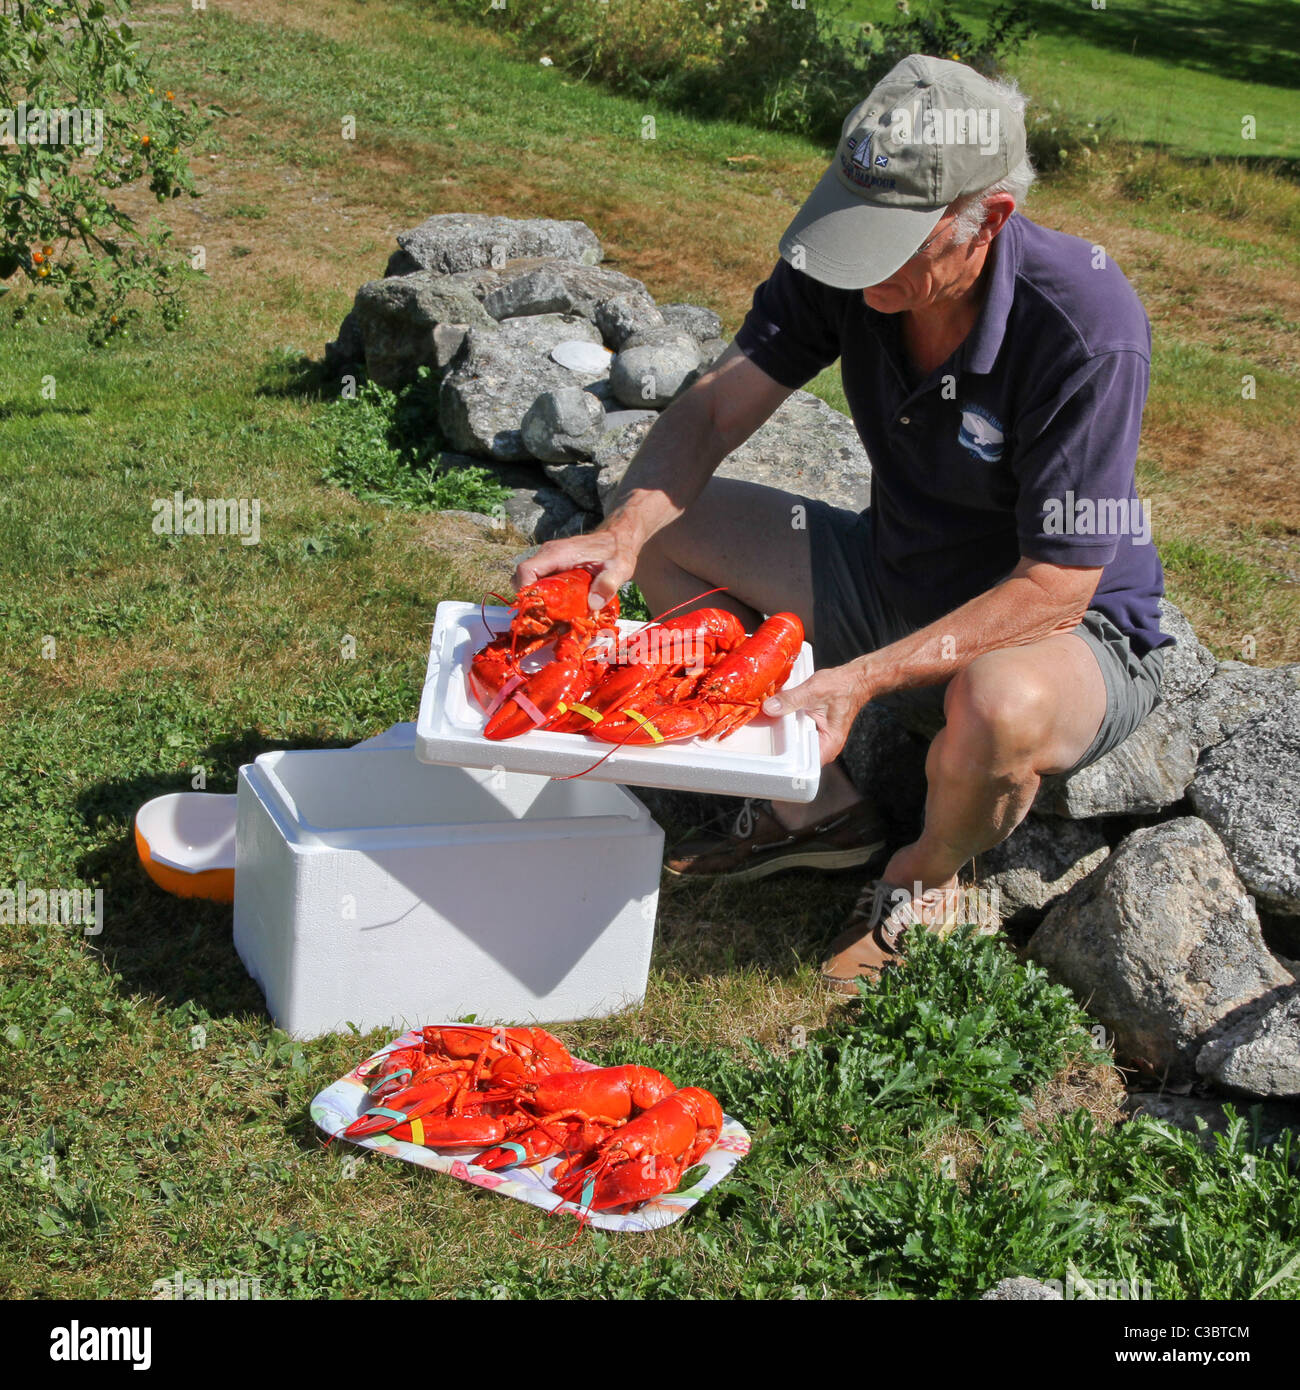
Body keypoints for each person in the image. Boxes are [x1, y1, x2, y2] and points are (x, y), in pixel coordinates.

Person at [515, 54, 1171, 992]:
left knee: (999, 703)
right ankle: (817, 811)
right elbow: (709, 412)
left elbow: (1056, 585)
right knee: (663, 526)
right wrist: (619, 533)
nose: (859, 270)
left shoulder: (1087, 327)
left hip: (1068, 627)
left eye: (895, 245)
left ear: (990, 219)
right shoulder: (849, 268)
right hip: (896, 571)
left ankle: (926, 880)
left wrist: (860, 679)